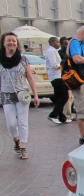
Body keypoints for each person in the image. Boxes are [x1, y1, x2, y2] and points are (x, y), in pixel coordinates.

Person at [0, 32, 40, 160]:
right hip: (6, 94)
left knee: (23, 121)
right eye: (9, 40)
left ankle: (23, 147)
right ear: (3, 43)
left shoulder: (23, 59)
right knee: (11, 123)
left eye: (14, 41)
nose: (11, 43)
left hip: (22, 94)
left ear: (17, 43)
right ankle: (16, 139)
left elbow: (30, 77)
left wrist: (36, 95)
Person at [44, 37, 69, 124]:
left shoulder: (53, 51)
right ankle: (53, 115)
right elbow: (54, 65)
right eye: (58, 42)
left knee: (59, 97)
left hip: (58, 76)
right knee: (65, 96)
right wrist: (64, 66)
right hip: (56, 77)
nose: (59, 44)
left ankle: (62, 117)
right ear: (52, 42)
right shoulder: (51, 51)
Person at [59, 36, 75, 120]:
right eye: (65, 43)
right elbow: (60, 65)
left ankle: (68, 113)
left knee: (71, 97)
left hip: (70, 77)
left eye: (67, 43)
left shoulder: (68, 52)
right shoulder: (60, 53)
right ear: (61, 44)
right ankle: (67, 115)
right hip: (64, 77)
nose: (66, 45)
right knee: (68, 97)